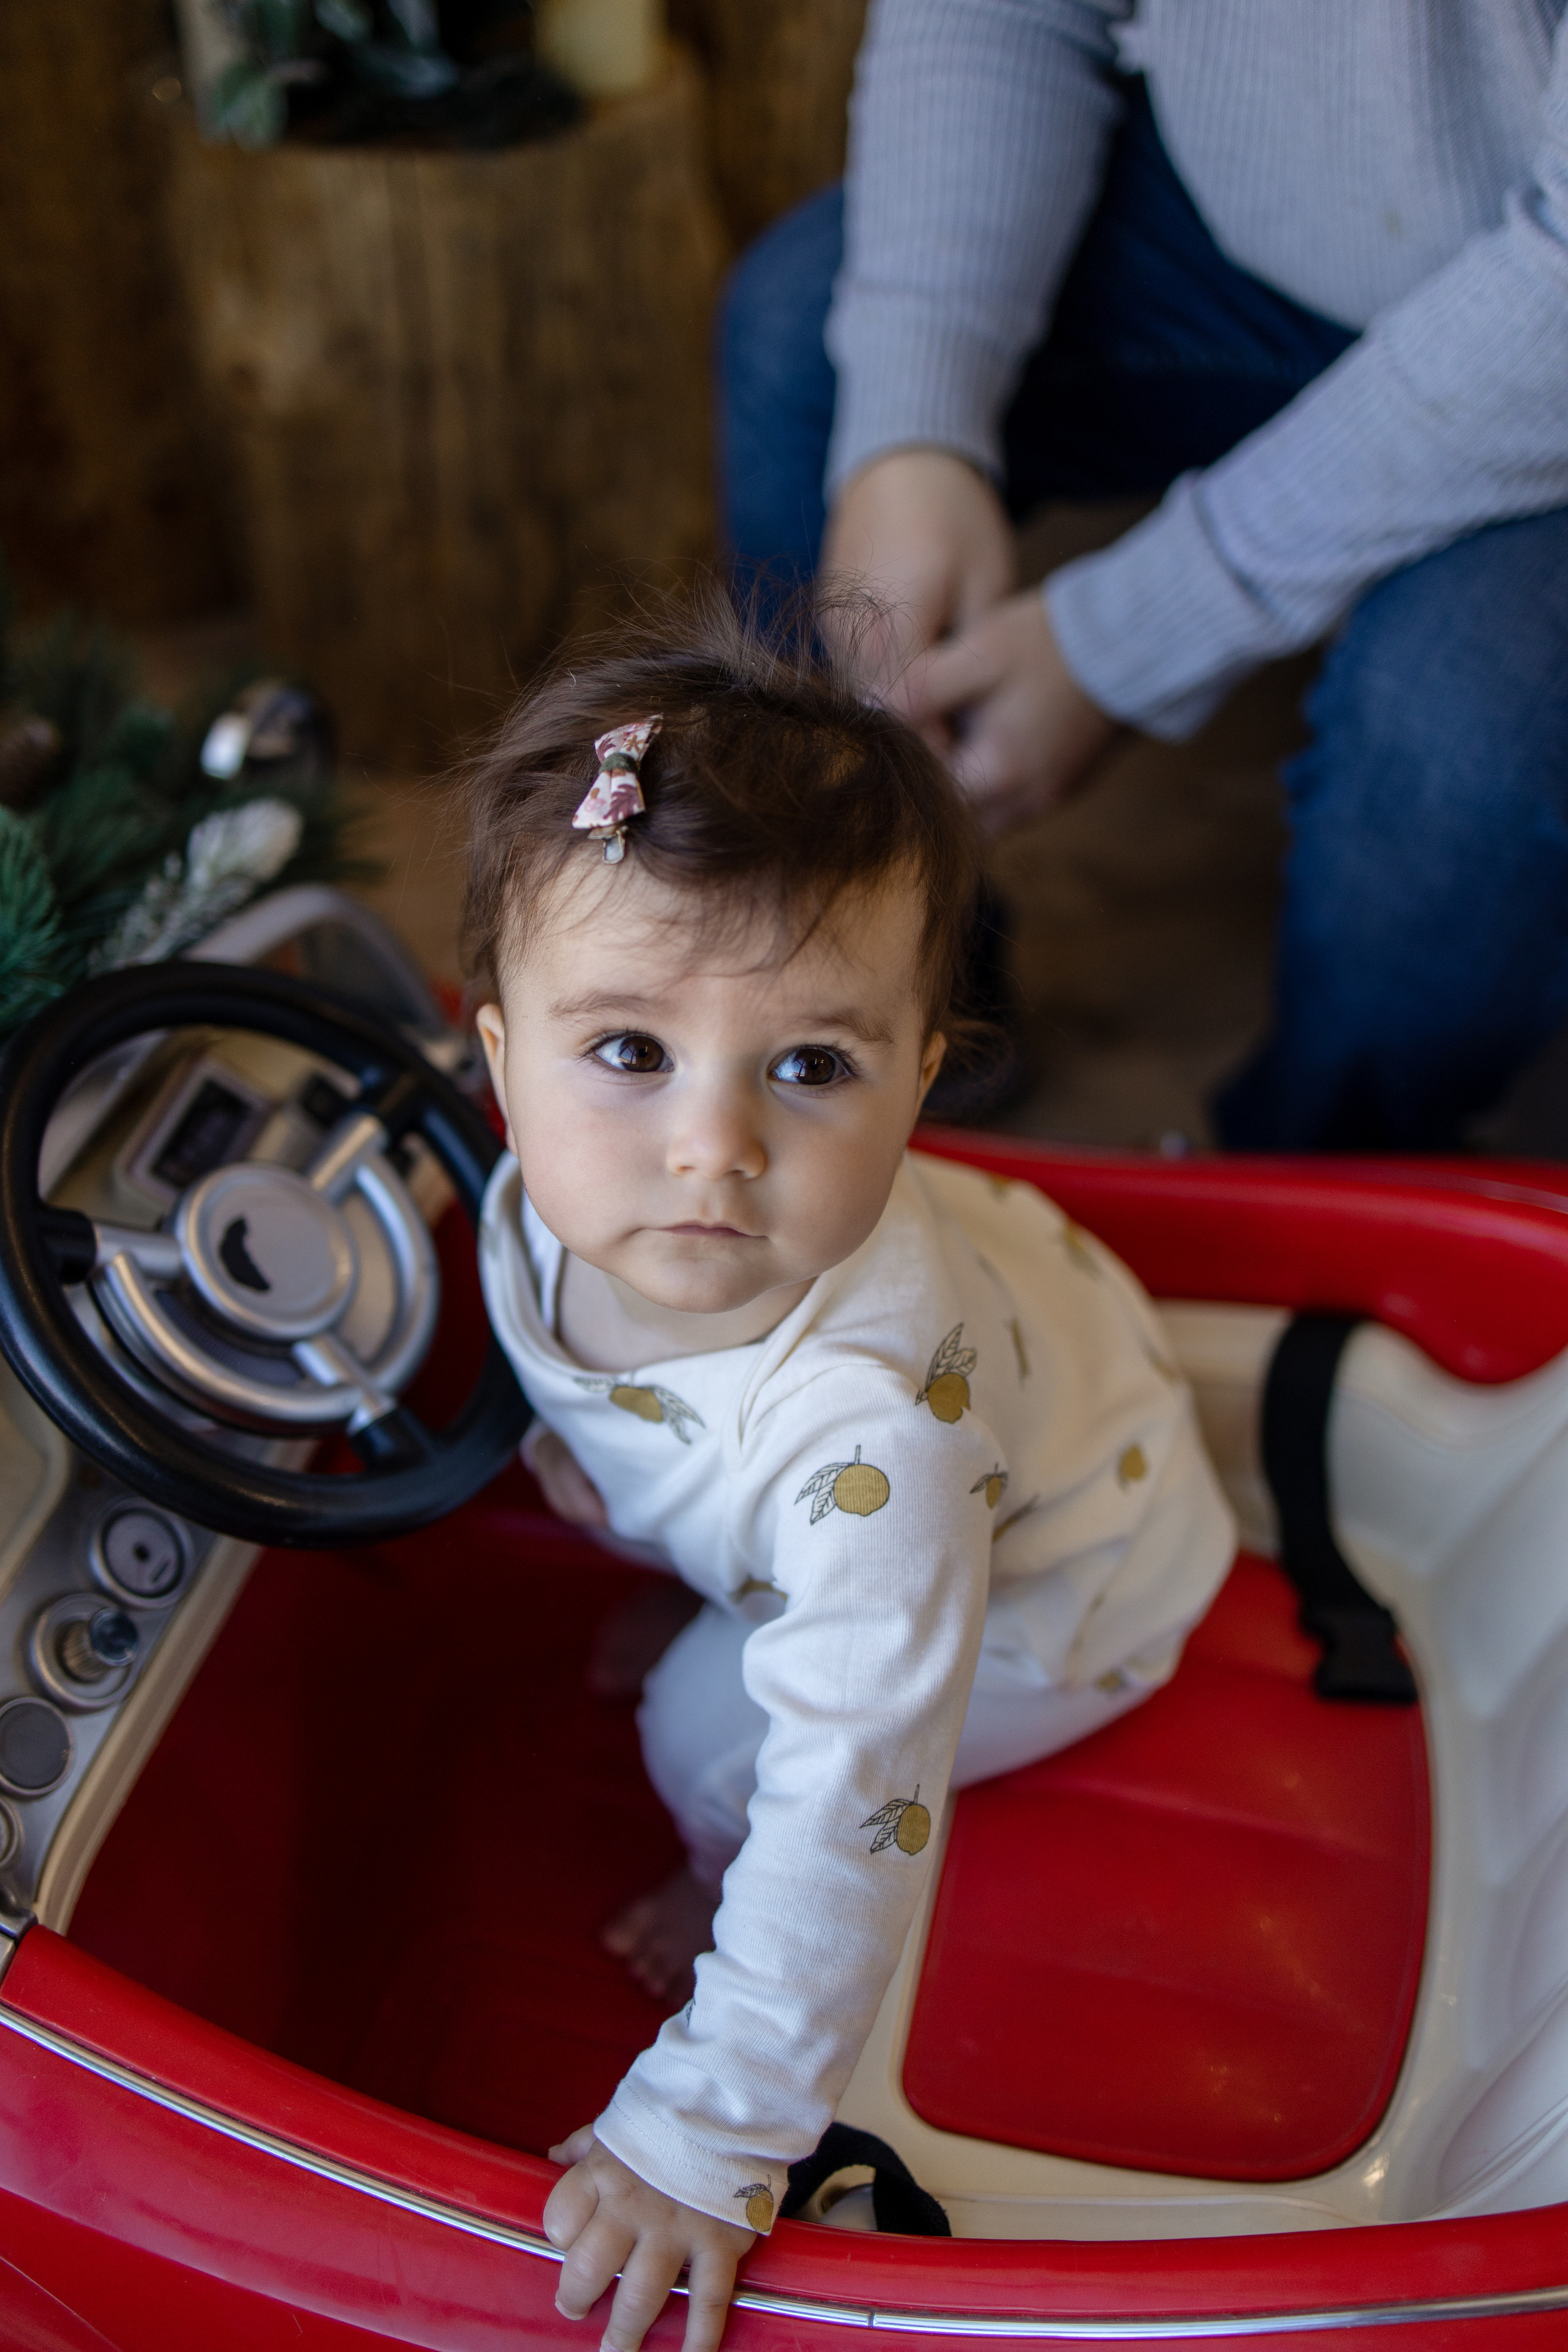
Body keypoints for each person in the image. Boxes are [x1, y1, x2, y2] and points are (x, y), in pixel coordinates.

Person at [466, 603, 1234, 2352]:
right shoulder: (549, 1212)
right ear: (499, 1061)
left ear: (921, 1083)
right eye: (629, 1051)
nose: (713, 1148)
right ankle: (726, 1603)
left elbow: (855, 1799)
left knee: (706, 1733)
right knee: (712, 1591)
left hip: (1066, 1587)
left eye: (811, 1066)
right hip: (982, 1433)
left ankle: (700, 1841)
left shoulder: (873, 1437)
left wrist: (710, 2133)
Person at [720, 5, 1568, 1152]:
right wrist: (912, 432)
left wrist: (1125, 642)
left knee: (1468, 720)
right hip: (1278, 231)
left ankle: (1312, 1186)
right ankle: (885, 975)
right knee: (798, 326)